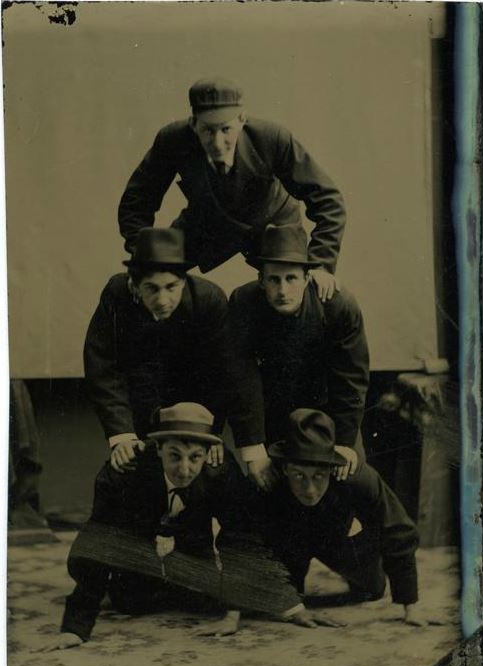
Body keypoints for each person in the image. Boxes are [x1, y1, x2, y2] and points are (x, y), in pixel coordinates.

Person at [42, 403, 318, 650]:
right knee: (129, 601)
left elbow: (240, 539)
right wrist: (74, 629)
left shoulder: (221, 472)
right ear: (158, 448)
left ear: (210, 454)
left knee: (204, 596)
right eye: (174, 456)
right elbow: (101, 547)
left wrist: (247, 611)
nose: (184, 469)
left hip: (191, 535)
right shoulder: (123, 475)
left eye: (195, 458)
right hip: (136, 535)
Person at [118, 77, 345, 300]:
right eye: (207, 130)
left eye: (226, 129)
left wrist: (322, 263)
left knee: (299, 293)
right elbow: (136, 201)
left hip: (272, 227)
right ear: (193, 123)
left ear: (242, 119)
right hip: (206, 225)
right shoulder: (173, 140)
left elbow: (328, 199)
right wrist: (142, 258)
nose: (217, 143)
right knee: (151, 282)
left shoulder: (272, 138)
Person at [84, 226, 246, 472]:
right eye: (152, 288)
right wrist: (122, 435)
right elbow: (102, 366)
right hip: (138, 406)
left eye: (171, 287)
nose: (162, 300)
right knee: (130, 472)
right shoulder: (117, 294)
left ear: (184, 281)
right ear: (134, 285)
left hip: (194, 409)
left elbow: (223, 373)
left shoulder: (209, 300)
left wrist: (211, 431)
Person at [256, 408, 430, 627]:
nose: (309, 490)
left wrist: (410, 605)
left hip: (338, 540)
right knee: (276, 602)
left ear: (332, 469)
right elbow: (244, 541)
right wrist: (292, 606)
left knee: (373, 589)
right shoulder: (268, 481)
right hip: (290, 544)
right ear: (283, 469)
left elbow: (399, 531)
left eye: (319, 476)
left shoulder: (359, 479)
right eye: (299, 475)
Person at [228, 222, 369, 488]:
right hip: (272, 413)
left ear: (307, 278)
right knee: (266, 485)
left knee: (348, 478)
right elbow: (241, 376)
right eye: (273, 279)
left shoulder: (339, 306)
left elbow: (351, 379)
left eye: (291, 278)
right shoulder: (243, 303)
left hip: (328, 410)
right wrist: (253, 448)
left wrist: (345, 443)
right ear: (261, 281)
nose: (282, 291)